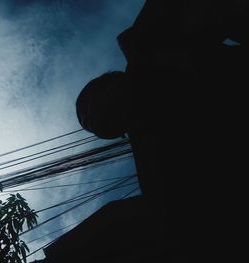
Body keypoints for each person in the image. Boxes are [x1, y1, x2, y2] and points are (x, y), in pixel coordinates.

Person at [76, 0, 249, 260]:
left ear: (113, 81)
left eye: (93, 111)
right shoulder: (157, 165)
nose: (98, 119)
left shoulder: (145, 43)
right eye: (97, 125)